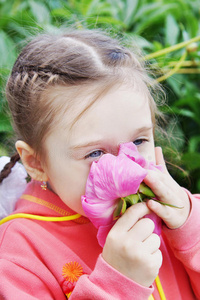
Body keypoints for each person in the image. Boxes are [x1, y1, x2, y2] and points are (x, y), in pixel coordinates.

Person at [0, 29, 199, 300]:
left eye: (139, 140)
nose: (128, 167)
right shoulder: (19, 255)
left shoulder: (175, 215)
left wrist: (190, 226)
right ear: (36, 163)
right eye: (95, 153)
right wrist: (118, 284)